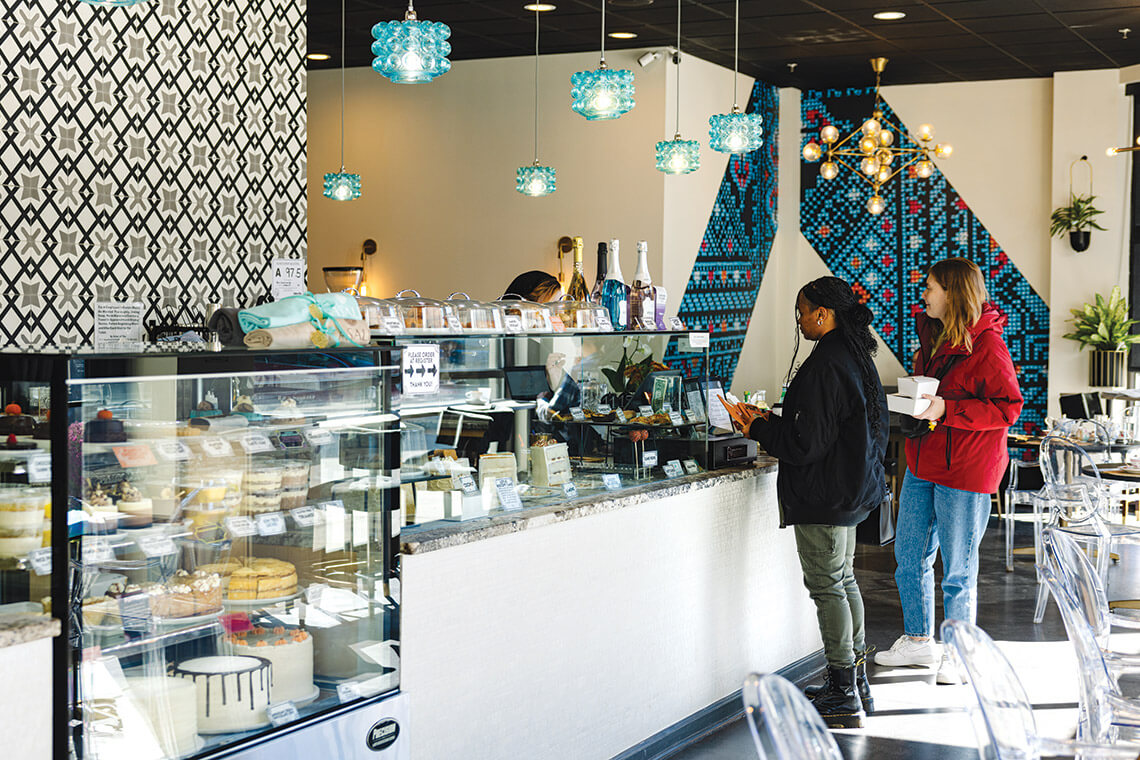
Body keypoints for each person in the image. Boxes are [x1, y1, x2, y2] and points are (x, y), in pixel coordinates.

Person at [726, 276, 888, 728]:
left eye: (801, 310)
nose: (797, 319)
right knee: (844, 581)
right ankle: (855, 680)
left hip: (825, 494)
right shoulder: (854, 354)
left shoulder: (826, 363)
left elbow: (803, 443)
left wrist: (756, 427)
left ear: (823, 313)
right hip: (850, 491)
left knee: (828, 587)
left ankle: (842, 692)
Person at [873, 258, 1022, 685]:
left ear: (953, 293)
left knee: (957, 570)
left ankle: (960, 654)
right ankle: (919, 642)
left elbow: (1007, 408)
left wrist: (946, 409)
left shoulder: (989, 345)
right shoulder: (934, 337)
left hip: (966, 471)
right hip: (923, 463)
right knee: (909, 559)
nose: (924, 293)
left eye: (931, 286)